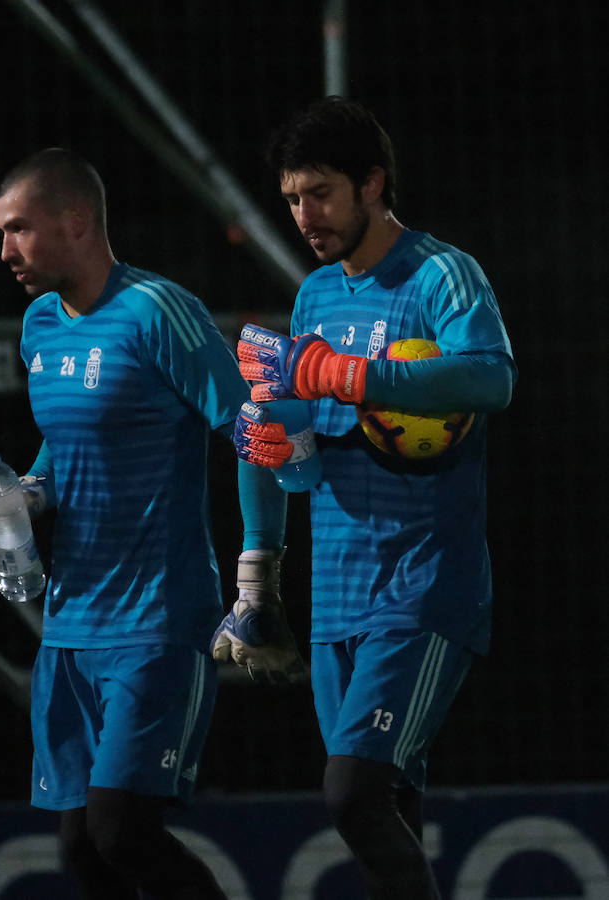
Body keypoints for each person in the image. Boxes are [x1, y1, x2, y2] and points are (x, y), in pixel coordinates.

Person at [0, 147, 303, 900]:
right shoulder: (40, 326)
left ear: (77, 222)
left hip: (156, 622)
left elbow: (251, 426)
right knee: (86, 851)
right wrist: (22, 497)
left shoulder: (156, 311)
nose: (4, 251)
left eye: (19, 229)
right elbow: (68, 442)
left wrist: (257, 580)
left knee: (122, 830)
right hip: (69, 628)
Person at [212, 97, 517, 898]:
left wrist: (353, 375)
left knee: (351, 792)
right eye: (290, 198)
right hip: (338, 596)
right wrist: (276, 447)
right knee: (388, 806)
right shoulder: (314, 296)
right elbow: (309, 465)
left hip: (423, 587)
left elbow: (493, 378)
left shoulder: (441, 274)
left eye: (319, 193)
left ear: (372, 184)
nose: (303, 215)